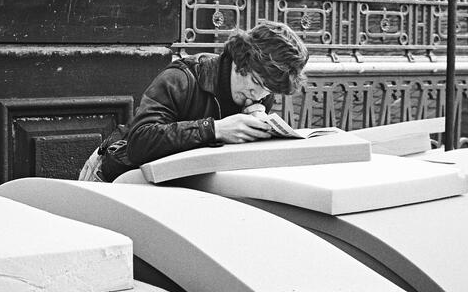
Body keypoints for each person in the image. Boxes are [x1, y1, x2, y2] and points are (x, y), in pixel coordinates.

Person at [79, 20, 309, 182]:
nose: (260, 96)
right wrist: (215, 129)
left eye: (269, 91)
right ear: (242, 62)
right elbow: (140, 142)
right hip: (112, 176)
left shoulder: (261, 92)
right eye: (257, 83)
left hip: (169, 184)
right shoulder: (182, 78)